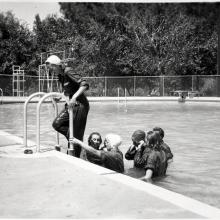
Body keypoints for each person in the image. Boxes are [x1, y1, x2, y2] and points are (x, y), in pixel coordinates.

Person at [45, 55, 90, 158]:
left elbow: (85, 84)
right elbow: (67, 89)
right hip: (71, 105)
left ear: (56, 65)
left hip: (80, 105)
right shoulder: (60, 76)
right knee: (57, 124)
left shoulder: (68, 71)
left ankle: (76, 154)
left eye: (51, 67)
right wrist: (60, 97)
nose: (50, 70)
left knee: (75, 134)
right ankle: (75, 140)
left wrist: (74, 97)